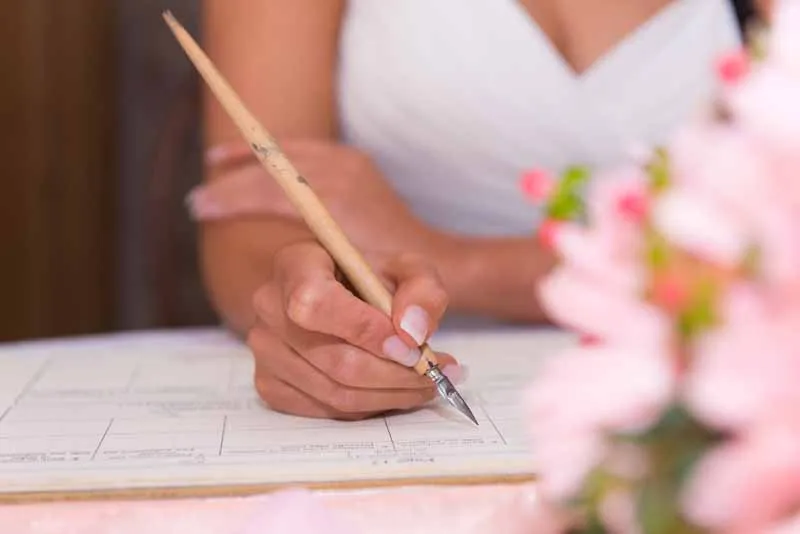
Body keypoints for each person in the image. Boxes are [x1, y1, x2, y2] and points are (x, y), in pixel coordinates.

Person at [190, 0, 766, 421]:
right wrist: (311, 310)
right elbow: (251, 227)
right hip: (403, 411)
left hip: (725, 383)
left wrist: (458, 265)